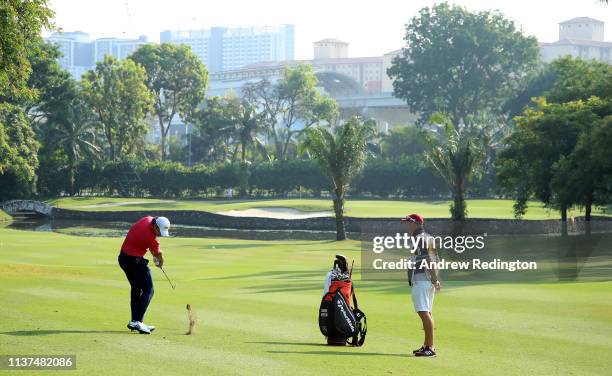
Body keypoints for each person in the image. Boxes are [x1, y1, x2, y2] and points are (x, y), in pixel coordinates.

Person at [118, 216, 171, 334]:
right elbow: (159, 255)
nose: (160, 234)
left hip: (123, 258)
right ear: (156, 226)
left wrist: (154, 255)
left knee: (136, 288)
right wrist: (160, 262)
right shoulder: (150, 238)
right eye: (159, 231)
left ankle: (136, 322)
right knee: (149, 289)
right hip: (134, 261)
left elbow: (149, 247)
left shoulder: (147, 219)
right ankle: (137, 321)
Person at [402, 213, 441, 357]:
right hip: (427, 279)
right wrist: (435, 279)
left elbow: (429, 260)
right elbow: (436, 259)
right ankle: (427, 345)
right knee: (427, 312)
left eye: (408, 222)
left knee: (423, 312)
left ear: (415, 223)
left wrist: (434, 279)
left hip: (422, 279)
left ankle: (430, 348)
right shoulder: (428, 237)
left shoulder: (420, 239)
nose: (406, 225)